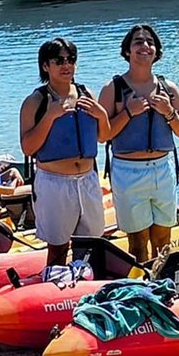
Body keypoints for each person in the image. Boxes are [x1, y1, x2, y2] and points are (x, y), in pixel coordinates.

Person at [99, 24, 179, 263]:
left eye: (150, 42)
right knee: (137, 244)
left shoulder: (168, 89)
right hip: (128, 172)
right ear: (127, 50)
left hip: (162, 168)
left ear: (157, 51)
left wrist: (169, 113)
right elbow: (102, 135)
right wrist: (128, 112)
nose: (145, 46)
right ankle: (141, 288)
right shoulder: (113, 89)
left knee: (163, 241)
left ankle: (162, 287)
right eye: (138, 42)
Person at [20, 37, 110, 267]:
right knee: (58, 247)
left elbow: (104, 136)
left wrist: (101, 115)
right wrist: (50, 116)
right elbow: (28, 147)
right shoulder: (35, 101)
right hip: (54, 182)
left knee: (91, 243)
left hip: (87, 180)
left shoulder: (86, 93)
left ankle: (86, 287)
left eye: (70, 59)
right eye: (59, 60)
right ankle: (54, 293)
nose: (66, 65)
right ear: (45, 66)